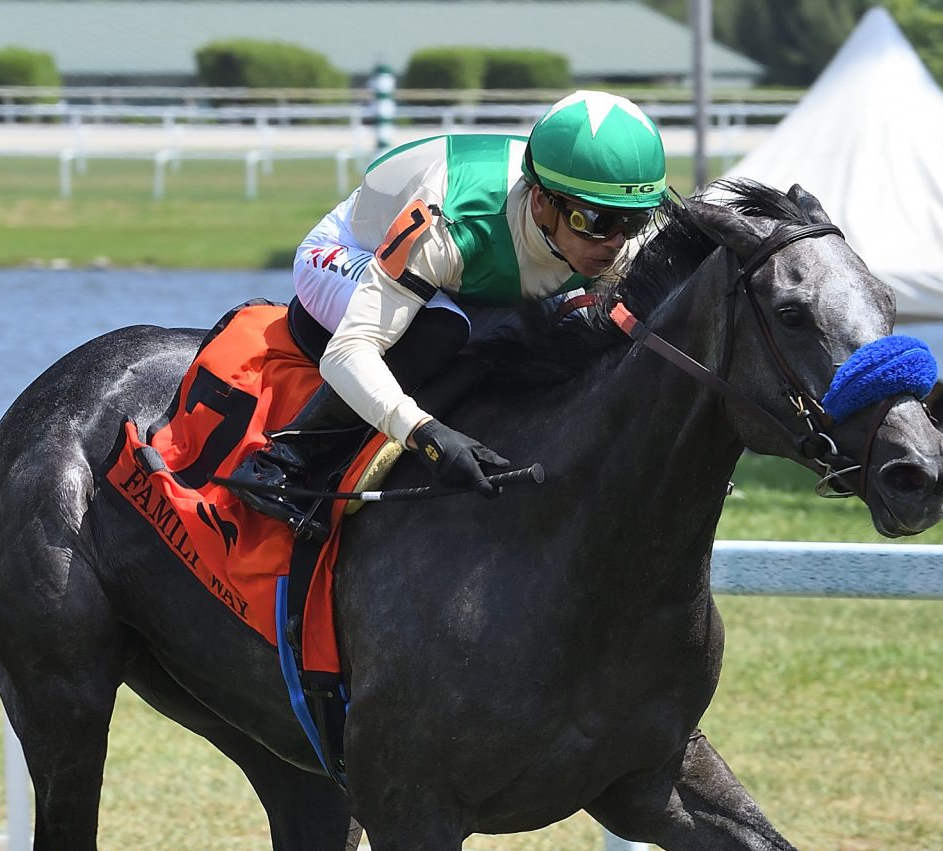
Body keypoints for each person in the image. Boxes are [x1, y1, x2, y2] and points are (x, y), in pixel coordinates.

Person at [231, 89, 670, 535]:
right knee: (442, 327)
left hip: (466, 272)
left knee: (577, 332)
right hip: (347, 251)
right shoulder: (449, 222)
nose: (617, 242)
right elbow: (349, 352)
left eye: (634, 221)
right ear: (540, 200)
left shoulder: (611, 232)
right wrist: (423, 433)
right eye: (595, 222)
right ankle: (280, 461)